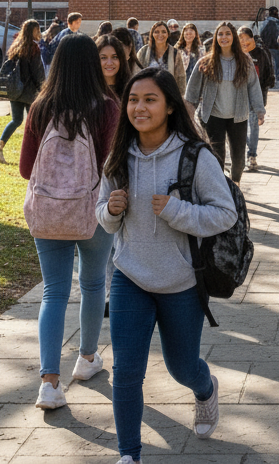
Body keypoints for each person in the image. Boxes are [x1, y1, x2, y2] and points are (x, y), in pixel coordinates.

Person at [97, 67, 237, 462]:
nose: (138, 108)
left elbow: (224, 213)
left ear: (171, 106)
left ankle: (205, 388)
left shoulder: (195, 156)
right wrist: (109, 210)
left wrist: (177, 211)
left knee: (182, 367)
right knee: (126, 371)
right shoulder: (118, 155)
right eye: (133, 100)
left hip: (181, 282)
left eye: (150, 99)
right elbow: (101, 214)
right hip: (130, 276)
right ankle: (129, 454)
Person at [18, 33, 119, 410]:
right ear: (93, 64)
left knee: (53, 292)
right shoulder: (107, 107)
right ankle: (87, 359)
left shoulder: (40, 107)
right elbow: (113, 164)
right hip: (93, 210)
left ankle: (48, 382)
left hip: (48, 213)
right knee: (93, 284)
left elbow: (27, 168)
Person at [184, 22, 265, 183]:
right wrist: (189, 110)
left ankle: (236, 184)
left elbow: (253, 86)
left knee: (239, 158)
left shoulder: (245, 61)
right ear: (216, 38)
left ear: (233, 37)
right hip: (213, 115)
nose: (224, 37)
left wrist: (259, 109)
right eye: (220, 34)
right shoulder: (207, 61)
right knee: (217, 156)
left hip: (238, 116)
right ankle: (219, 189)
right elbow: (192, 89)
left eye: (227, 33)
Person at [0, 18, 46, 164]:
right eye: (37, 30)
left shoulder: (16, 46)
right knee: (33, 123)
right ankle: (36, 154)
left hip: (15, 89)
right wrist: (43, 89)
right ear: (33, 31)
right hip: (29, 92)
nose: (39, 33)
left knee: (16, 120)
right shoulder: (33, 48)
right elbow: (38, 73)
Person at [238, 25, 274, 172]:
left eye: (247, 38)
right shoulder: (235, 54)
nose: (245, 42)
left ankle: (251, 155)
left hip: (254, 96)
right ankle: (241, 155)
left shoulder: (260, 53)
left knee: (252, 127)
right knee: (240, 127)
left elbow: (267, 76)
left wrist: (262, 100)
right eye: (241, 39)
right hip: (237, 97)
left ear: (253, 39)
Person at [137, 21, 187, 95]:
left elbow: (181, 78)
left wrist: (179, 99)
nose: (160, 35)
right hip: (147, 95)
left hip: (168, 96)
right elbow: (136, 74)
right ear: (152, 34)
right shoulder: (143, 52)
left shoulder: (175, 53)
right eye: (156, 32)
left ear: (168, 34)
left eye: (163, 32)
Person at [97, 34, 133, 100]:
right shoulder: (90, 91)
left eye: (115, 57)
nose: (109, 63)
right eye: (103, 58)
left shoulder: (131, 89)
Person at [259, 8, 279, 88]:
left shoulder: (264, 23)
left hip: (266, 47)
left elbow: (261, 34)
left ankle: (268, 79)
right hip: (276, 47)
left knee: (268, 63)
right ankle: (277, 79)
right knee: (277, 63)